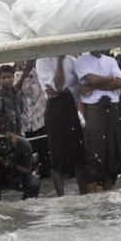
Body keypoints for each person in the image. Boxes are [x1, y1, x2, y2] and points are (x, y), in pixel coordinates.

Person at [36, 55, 88, 196]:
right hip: (54, 108)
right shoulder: (42, 61)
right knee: (56, 157)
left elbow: (78, 89)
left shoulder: (72, 60)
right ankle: (61, 196)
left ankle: (85, 194)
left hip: (70, 105)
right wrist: (59, 60)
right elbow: (58, 87)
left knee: (79, 156)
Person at [74, 51, 121, 193]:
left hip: (112, 108)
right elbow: (92, 80)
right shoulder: (81, 61)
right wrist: (110, 79)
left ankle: (108, 194)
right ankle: (92, 197)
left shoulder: (111, 60)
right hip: (94, 109)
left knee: (111, 152)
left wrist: (94, 84)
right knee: (94, 152)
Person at [0, 133, 40, 202]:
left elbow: (28, 171)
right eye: (0, 141)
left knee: (34, 184)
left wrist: (10, 164)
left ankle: (28, 205)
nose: (3, 144)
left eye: (8, 140)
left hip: (18, 176)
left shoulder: (23, 144)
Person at [14, 60, 49, 178]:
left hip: (41, 118)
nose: (25, 63)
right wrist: (24, 74)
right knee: (29, 152)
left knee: (45, 152)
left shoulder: (40, 72)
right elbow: (15, 90)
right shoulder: (17, 75)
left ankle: (46, 175)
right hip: (26, 120)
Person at [0, 65, 24, 136]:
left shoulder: (17, 93)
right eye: (3, 78)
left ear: (13, 77)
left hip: (19, 131)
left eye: (9, 77)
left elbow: (21, 110)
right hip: (5, 134)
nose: (7, 80)